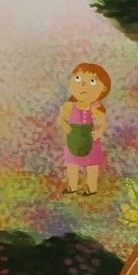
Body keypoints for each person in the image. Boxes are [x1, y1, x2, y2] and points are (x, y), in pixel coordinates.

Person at [58, 61, 112, 196]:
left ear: (103, 88)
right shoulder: (69, 106)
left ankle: (92, 189)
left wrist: (99, 131)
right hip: (73, 138)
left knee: (92, 165)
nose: (83, 84)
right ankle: (72, 187)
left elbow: (103, 123)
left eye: (92, 81)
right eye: (78, 78)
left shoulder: (95, 108)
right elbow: (60, 119)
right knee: (72, 164)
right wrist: (66, 127)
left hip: (91, 139)